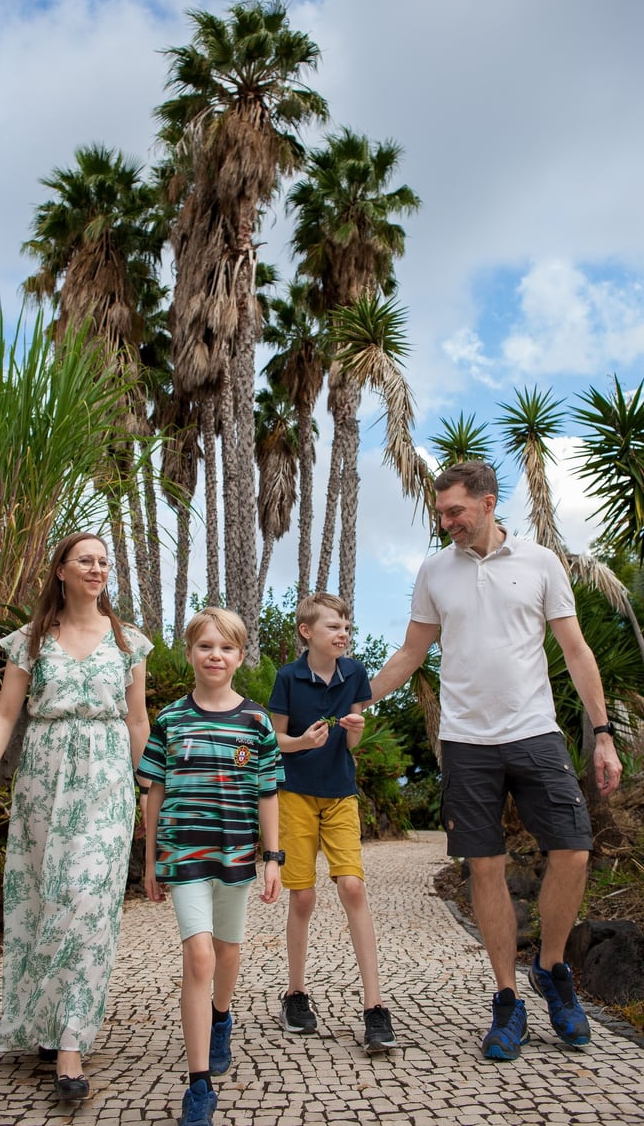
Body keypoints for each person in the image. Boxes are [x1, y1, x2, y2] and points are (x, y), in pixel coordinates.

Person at [369, 461, 622, 1061]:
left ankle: (552, 968)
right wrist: (358, 698)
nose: (447, 523)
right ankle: (507, 999)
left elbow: (576, 649)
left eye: (455, 511)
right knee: (484, 868)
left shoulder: (540, 563)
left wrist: (604, 733)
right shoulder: (435, 571)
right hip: (465, 741)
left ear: (487, 503)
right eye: (441, 514)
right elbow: (410, 652)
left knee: (573, 848)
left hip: (534, 731)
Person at [0, 531, 152, 1102]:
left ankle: (71, 1041)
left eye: (104, 562)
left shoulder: (130, 643)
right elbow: (5, 714)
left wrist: (146, 786)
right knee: (44, 901)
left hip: (105, 783)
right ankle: (46, 1019)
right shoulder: (30, 641)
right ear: (61, 571)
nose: (98, 569)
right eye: (87, 561)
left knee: (84, 903)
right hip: (43, 785)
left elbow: (138, 722)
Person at [139, 608, 284, 1126]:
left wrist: (273, 857)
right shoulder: (171, 719)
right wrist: (152, 859)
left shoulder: (257, 723)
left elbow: (267, 792)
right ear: (190, 653)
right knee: (198, 956)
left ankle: (221, 1017)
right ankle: (199, 1086)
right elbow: (154, 791)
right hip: (184, 853)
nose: (215, 656)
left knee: (227, 951)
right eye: (205, 646)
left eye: (225, 648)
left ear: (240, 656)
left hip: (237, 854)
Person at [268, 592, 398, 1054]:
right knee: (302, 897)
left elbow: (353, 745)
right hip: (296, 797)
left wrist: (357, 734)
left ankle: (375, 1006)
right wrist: (301, 742)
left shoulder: (356, 674)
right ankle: (296, 994)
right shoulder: (288, 677)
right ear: (307, 633)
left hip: (341, 794)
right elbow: (274, 742)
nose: (343, 632)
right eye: (333, 626)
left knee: (353, 888)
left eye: (346, 625)